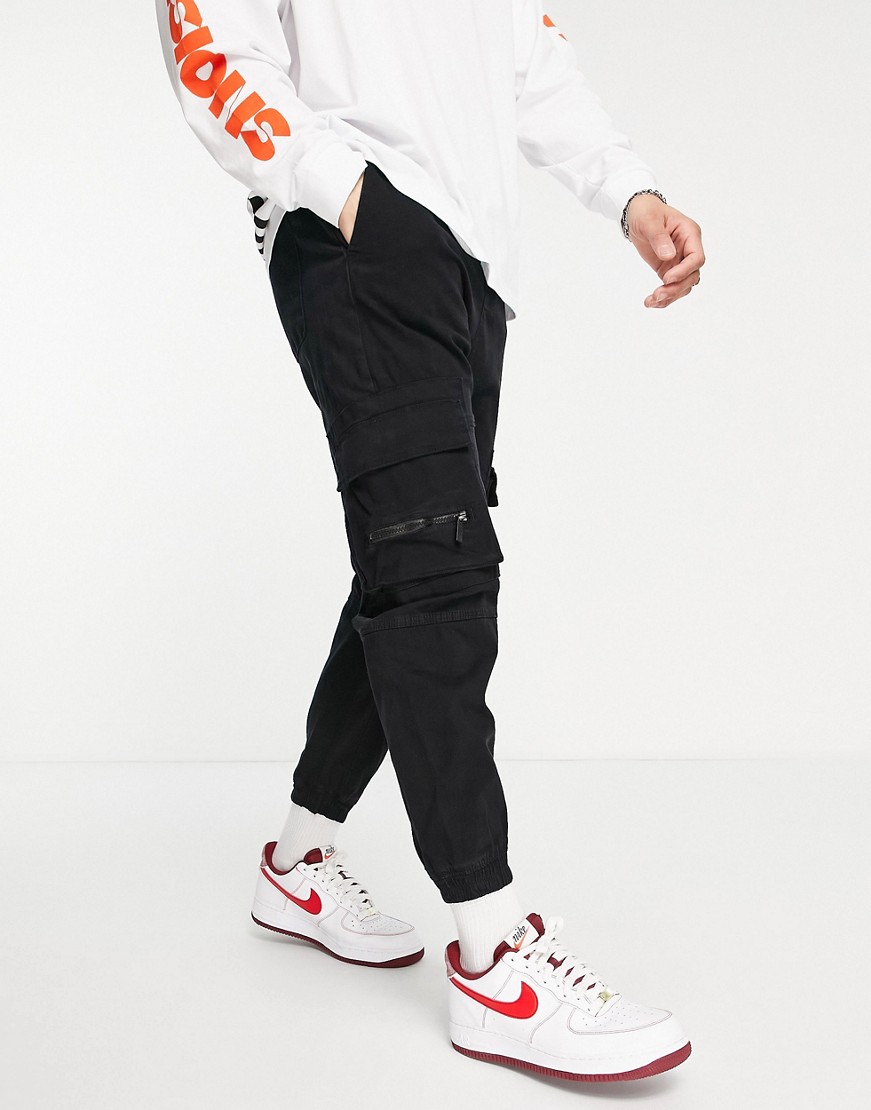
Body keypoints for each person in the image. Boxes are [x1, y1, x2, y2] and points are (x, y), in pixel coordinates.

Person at [155, 0, 704, 1083]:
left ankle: (296, 864)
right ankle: (494, 959)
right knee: (437, 575)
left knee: (408, 567)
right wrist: (349, 193)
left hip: (472, 269)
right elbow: (210, 45)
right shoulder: (355, 209)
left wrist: (627, 192)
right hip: (358, 243)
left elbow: (529, 61)